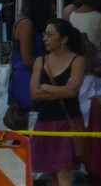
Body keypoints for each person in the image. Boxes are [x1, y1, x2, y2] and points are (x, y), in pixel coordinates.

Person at [30, 19, 86, 186]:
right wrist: (61, 91)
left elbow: (72, 91)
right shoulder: (40, 61)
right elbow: (34, 93)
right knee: (52, 174)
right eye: (44, 34)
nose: (45, 38)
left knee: (64, 173)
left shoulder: (78, 60)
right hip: (45, 122)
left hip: (67, 123)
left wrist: (46, 87)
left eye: (50, 34)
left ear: (64, 39)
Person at [10, 0, 52, 121]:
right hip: (27, 78)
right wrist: (52, 66)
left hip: (36, 74)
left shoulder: (32, 21)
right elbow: (27, 59)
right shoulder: (26, 24)